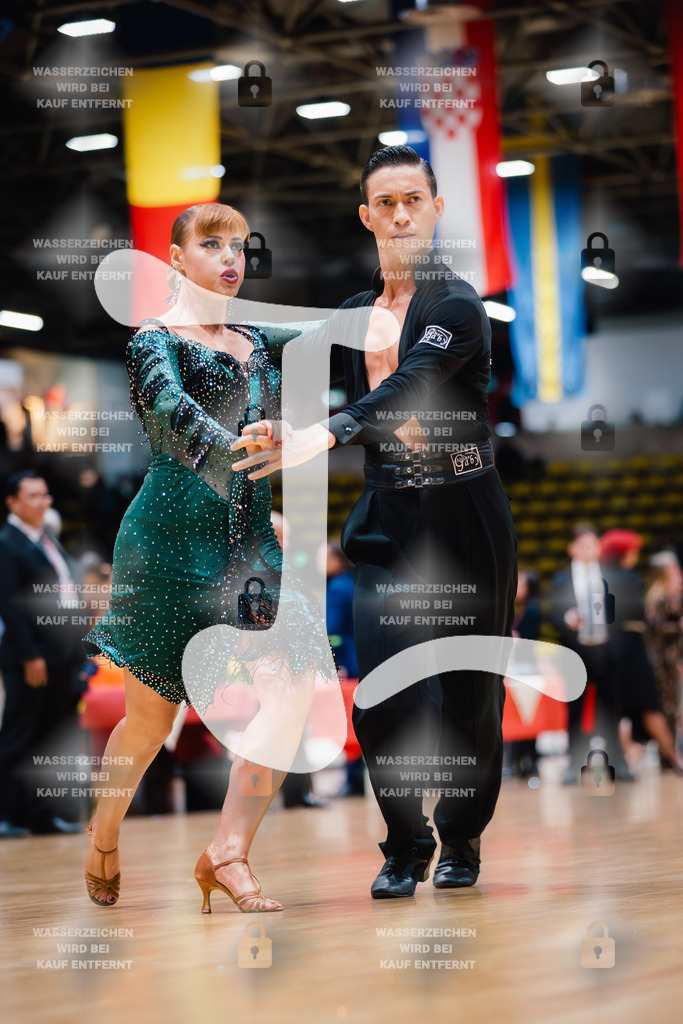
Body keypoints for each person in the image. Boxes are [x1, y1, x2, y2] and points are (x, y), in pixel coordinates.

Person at [232, 145, 518, 898]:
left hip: (465, 521)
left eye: (412, 200)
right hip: (389, 520)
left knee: (467, 695)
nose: (399, 215)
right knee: (379, 694)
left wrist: (324, 432)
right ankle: (403, 844)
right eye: (384, 203)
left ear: (435, 209)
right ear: (366, 216)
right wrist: (272, 424)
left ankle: (460, 840)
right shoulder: (354, 315)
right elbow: (295, 377)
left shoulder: (455, 305)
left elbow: (407, 388)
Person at [81, 202, 331, 910]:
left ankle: (228, 850)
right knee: (153, 724)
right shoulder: (151, 340)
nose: (231, 257)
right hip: (166, 540)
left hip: (248, 542)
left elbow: (330, 332)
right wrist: (246, 448)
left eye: (240, 246)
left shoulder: (258, 340)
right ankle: (104, 832)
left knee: (292, 688)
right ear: (176, 257)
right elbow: (168, 411)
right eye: (212, 244)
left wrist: (288, 432)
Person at [0, 471, 85, 836]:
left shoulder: (46, 539)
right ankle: (7, 814)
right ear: (12, 502)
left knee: (49, 739)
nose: (42, 502)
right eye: (32, 496)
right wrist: (29, 655)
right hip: (30, 657)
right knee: (18, 737)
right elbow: (9, 604)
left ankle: (41, 814)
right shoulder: (7, 542)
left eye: (45, 495)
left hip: (61, 654)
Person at [546, 523, 634, 784]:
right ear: (571, 548)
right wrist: (566, 617)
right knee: (575, 711)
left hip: (606, 652)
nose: (589, 549)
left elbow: (624, 611)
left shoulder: (612, 576)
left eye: (593, 543)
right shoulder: (560, 580)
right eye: (583, 544)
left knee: (610, 708)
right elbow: (551, 614)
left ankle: (618, 762)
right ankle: (573, 765)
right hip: (576, 652)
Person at [600, 530, 683, 774]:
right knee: (650, 706)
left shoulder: (606, 577)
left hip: (618, 646)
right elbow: (637, 616)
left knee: (621, 708)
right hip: (631, 648)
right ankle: (673, 757)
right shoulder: (628, 578)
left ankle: (625, 757)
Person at [645, 551, 683, 753]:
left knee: (672, 706)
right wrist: (678, 627)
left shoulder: (671, 597)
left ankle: (669, 752)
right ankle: (667, 753)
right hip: (660, 660)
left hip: (670, 657)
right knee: (667, 706)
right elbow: (656, 629)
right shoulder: (658, 598)